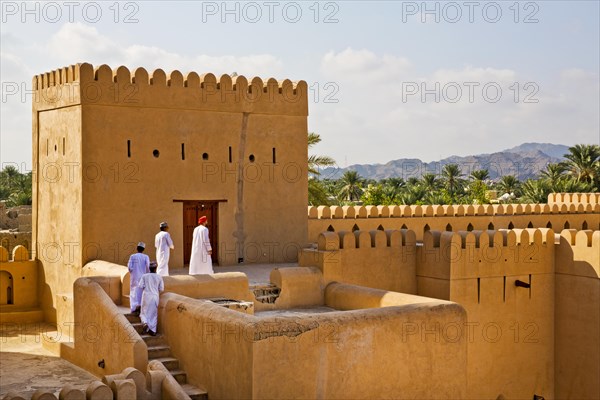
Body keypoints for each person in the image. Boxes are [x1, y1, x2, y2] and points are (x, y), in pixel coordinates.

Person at [139, 261, 164, 336]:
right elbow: (161, 289)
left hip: (146, 296)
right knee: (153, 314)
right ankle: (153, 330)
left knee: (144, 312)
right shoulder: (159, 277)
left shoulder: (144, 276)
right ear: (156, 268)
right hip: (155, 296)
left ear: (149, 268)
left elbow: (140, 286)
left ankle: (145, 323)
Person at [127, 241, 150, 316]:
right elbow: (148, 267)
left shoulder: (132, 256)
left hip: (134, 277)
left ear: (137, 248)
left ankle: (133, 307)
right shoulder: (146, 257)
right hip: (142, 277)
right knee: (141, 292)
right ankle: (140, 307)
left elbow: (129, 267)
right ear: (143, 249)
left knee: (133, 292)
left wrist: (133, 273)